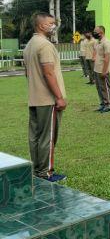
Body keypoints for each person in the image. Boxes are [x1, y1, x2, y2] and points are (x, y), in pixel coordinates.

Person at [23, 12, 67, 182]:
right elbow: (48, 73)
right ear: (42, 25)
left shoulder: (30, 45)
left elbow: (27, 73)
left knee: (35, 136)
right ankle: (45, 172)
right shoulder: (45, 45)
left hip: (35, 98)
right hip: (48, 99)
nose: (54, 26)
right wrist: (59, 97)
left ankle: (36, 169)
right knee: (47, 137)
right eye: (51, 23)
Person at [92, 26, 110, 113]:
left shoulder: (106, 42)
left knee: (105, 87)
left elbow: (107, 58)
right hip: (97, 68)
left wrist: (104, 71)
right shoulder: (97, 42)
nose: (94, 33)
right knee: (99, 88)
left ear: (101, 32)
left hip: (103, 69)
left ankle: (108, 105)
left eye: (95, 32)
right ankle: (103, 103)